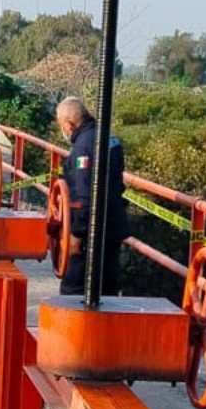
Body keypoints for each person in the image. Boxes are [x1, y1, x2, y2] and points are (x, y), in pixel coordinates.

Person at [55, 96, 128, 296]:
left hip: (91, 233)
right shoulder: (110, 137)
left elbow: (84, 196)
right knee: (106, 291)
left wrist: (77, 233)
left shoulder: (83, 148)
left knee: (74, 291)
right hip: (113, 225)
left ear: (69, 123)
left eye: (62, 124)